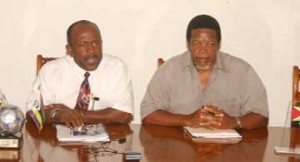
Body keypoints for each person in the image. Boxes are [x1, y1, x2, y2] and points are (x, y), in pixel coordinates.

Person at [141, 15, 269, 130]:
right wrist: (188, 120)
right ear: (188, 44)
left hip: (228, 151)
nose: (203, 51)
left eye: (210, 44)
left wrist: (234, 122)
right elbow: (148, 113)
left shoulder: (241, 70)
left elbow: (261, 114)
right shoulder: (170, 69)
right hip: (180, 148)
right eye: (196, 43)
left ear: (219, 45)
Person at [28, 20, 133, 128]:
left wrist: (72, 114)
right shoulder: (51, 70)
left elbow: (124, 114)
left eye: (96, 43)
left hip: (107, 140)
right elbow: (33, 114)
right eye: (83, 45)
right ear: (69, 50)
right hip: (58, 140)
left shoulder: (116, 67)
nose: (91, 50)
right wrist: (58, 114)